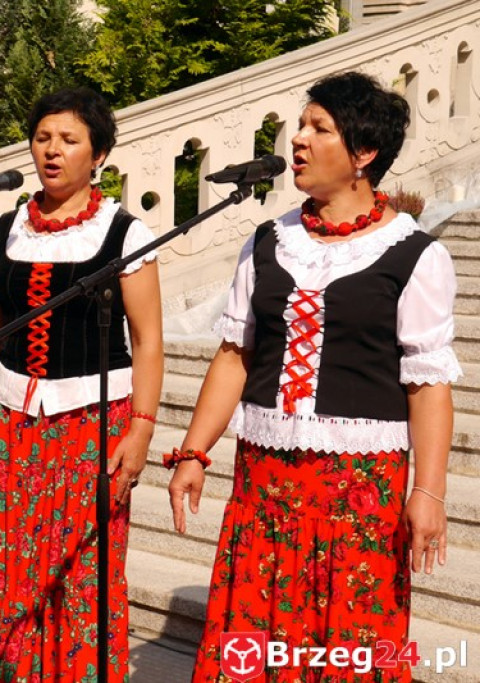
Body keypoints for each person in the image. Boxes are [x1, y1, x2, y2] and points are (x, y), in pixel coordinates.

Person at [167, 71, 460, 682]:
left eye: (319, 128)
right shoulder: (268, 242)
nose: (298, 139)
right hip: (264, 483)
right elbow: (235, 356)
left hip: (359, 491)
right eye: (302, 125)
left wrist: (428, 493)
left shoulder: (415, 255)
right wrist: (194, 451)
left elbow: (428, 384)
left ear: (364, 152)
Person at [0, 87, 164, 681]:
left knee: (78, 570)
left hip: (92, 424)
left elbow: (147, 341)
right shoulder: (5, 228)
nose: (52, 151)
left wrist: (142, 431)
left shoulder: (126, 235)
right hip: (9, 418)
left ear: (99, 155)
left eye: (69, 140)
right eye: (43, 138)